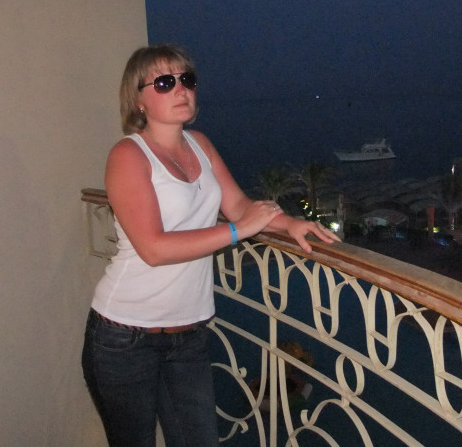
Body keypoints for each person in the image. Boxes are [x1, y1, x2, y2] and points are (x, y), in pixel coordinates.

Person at [82, 44, 339, 447]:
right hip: (125, 336)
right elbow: (153, 248)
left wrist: (289, 223)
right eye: (164, 83)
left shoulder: (200, 144)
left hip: (188, 334)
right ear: (138, 99)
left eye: (186, 79)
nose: (180, 89)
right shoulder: (128, 155)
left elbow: (238, 206)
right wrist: (238, 232)